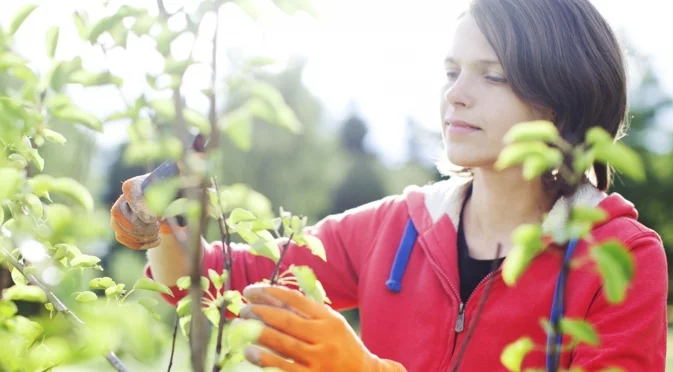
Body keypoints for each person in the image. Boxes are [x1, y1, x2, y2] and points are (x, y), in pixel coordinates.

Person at [109, 0, 668, 370]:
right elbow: (229, 283)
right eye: (452, 72)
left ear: (562, 97)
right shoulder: (398, 226)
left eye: (492, 75)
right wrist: (159, 223)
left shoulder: (621, 259)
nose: (456, 95)